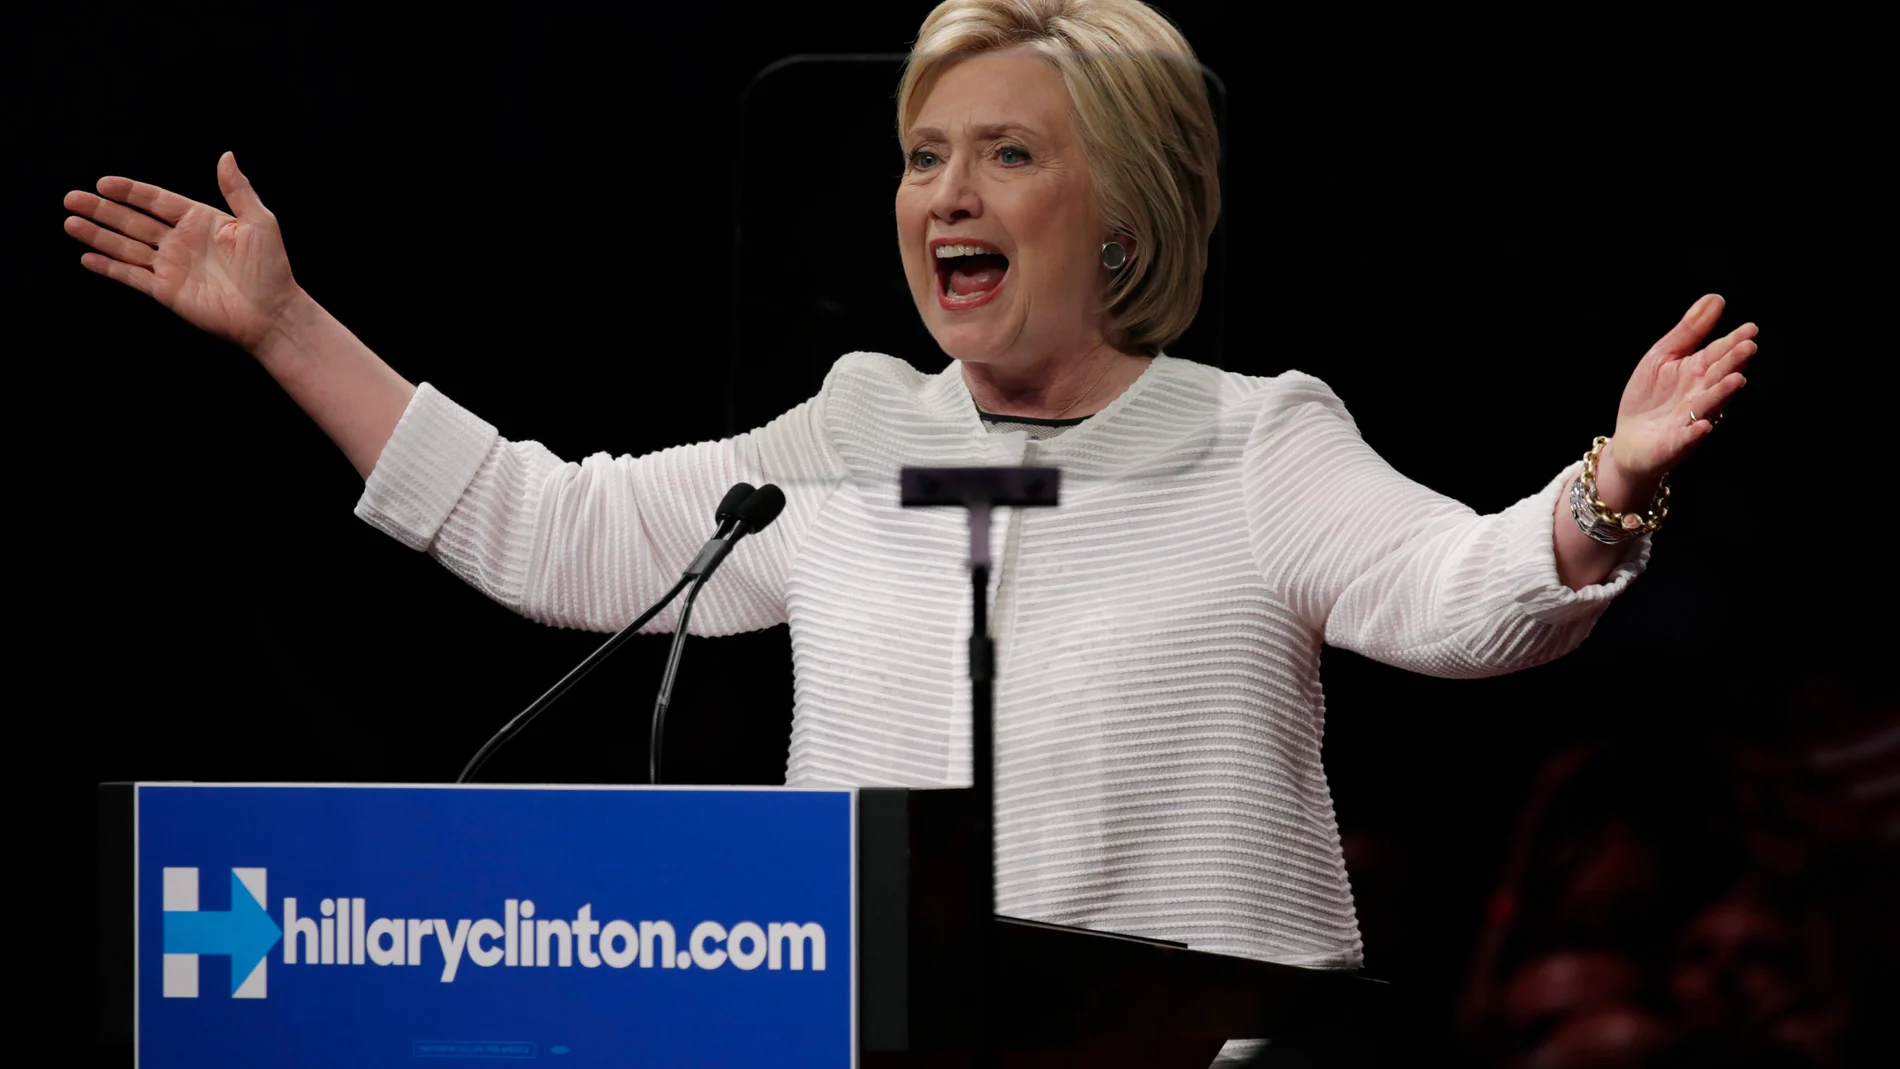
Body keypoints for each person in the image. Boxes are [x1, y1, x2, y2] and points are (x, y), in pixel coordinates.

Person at [59, 0, 1757, 1062]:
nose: (945, 193)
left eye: (1006, 154)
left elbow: (1458, 596)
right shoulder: (853, 432)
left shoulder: (1253, 439)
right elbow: (542, 523)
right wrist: (287, 328)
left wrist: (1604, 486)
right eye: (924, 154)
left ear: (1121, 215)